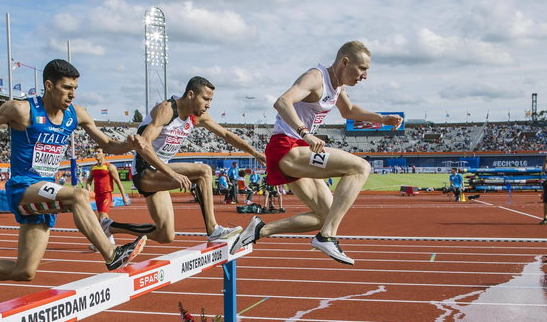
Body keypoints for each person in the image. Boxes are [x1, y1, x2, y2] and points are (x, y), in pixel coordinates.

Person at [0, 59, 149, 300]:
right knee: (78, 195)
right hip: (23, 187)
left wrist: (128, 145)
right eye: (67, 88)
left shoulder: (76, 115)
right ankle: (111, 254)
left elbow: (108, 144)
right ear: (48, 85)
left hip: (45, 193)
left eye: (75, 88)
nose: (72, 94)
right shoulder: (22, 110)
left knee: (24, 270)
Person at [231, 41, 403, 264]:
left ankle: (260, 230)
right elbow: (282, 102)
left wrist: (382, 119)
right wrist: (306, 133)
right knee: (361, 167)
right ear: (344, 62)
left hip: (299, 151)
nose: (365, 76)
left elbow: (348, 111)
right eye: (362, 68)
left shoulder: (337, 86)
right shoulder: (316, 77)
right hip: (287, 147)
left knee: (326, 215)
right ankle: (327, 237)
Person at [106, 76, 266, 245]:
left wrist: (255, 153)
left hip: (161, 172)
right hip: (145, 171)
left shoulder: (197, 116)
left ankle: (110, 227)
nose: (208, 104)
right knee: (204, 171)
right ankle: (213, 230)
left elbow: (226, 134)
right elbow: (143, 146)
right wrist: (172, 174)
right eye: (205, 99)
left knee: (165, 235)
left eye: (210, 100)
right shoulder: (167, 110)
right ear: (191, 94)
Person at [85, 147, 130, 241]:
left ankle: (100, 242)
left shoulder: (110, 166)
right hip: (97, 195)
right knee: (103, 219)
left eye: (98, 152)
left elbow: (118, 182)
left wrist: (124, 197)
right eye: (95, 152)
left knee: (102, 216)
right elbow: (89, 180)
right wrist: (88, 189)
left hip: (106, 194)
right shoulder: (93, 167)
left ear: (104, 154)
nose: (96, 154)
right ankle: (110, 240)